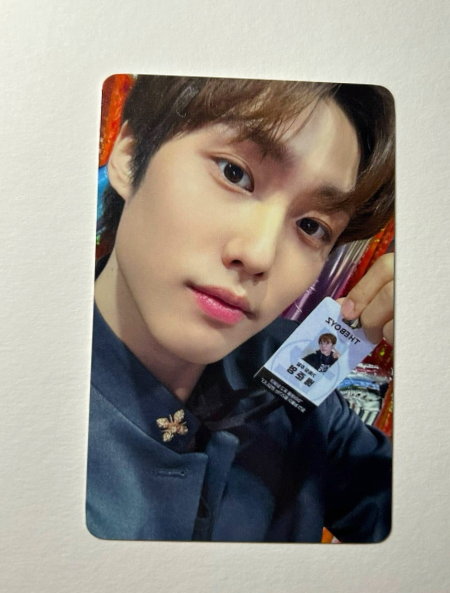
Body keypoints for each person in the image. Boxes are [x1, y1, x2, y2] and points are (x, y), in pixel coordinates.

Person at [87, 75, 395, 543]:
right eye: (234, 173)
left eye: (312, 226)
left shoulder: (291, 373)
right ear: (130, 155)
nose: (258, 254)